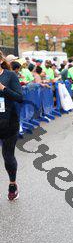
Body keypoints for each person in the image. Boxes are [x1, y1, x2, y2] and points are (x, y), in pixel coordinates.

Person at [0, 53, 23, 201]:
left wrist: (3, 88)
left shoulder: (10, 76)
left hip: (8, 121)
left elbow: (19, 97)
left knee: (8, 156)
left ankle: (12, 185)